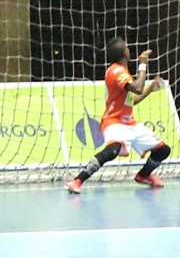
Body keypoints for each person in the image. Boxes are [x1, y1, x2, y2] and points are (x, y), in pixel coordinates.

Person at [66, 37, 169, 194]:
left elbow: (132, 100)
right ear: (123, 53)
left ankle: (143, 176)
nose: (129, 49)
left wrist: (150, 89)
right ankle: (77, 180)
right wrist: (143, 64)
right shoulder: (116, 71)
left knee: (163, 150)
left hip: (130, 123)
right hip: (114, 121)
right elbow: (137, 88)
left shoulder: (122, 72)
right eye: (127, 47)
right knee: (112, 150)